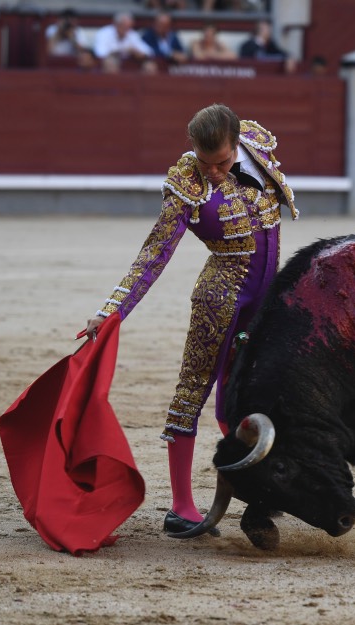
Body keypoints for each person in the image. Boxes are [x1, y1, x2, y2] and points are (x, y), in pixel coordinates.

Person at [81, 103, 298, 537]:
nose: (214, 173)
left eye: (221, 163)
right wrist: (113, 310)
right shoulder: (186, 183)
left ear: (237, 145)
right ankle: (181, 504)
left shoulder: (257, 146)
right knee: (193, 391)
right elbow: (154, 253)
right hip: (220, 296)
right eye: (205, 162)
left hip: (265, 298)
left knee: (248, 396)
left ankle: (256, 492)